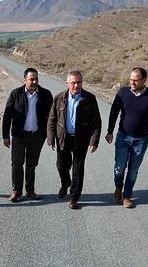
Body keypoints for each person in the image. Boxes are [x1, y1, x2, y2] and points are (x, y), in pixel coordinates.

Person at [105, 67, 148, 209]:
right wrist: (110, 131)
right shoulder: (123, 93)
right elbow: (114, 112)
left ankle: (127, 196)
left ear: (144, 80)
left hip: (141, 140)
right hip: (123, 137)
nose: (132, 82)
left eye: (136, 80)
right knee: (119, 168)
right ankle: (118, 187)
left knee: (133, 170)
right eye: (131, 79)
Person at [47, 70, 102, 209]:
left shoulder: (90, 98)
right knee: (61, 166)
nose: (76, 86)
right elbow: (52, 119)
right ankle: (65, 184)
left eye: (79, 82)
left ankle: (74, 197)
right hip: (63, 138)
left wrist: (93, 141)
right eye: (73, 83)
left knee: (78, 169)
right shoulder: (59, 98)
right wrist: (50, 138)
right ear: (67, 83)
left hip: (81, 140)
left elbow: (96, 122)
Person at [2, 68, 53, 202]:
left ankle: (30, 191)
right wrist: (5, 135)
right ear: (25, 79)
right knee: (17, 163)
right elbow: (7, 116)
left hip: (37, 136)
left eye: (36, 79)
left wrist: (50, 135)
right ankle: (16, 191)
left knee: (31, 164)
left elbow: (52, 117)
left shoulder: (46, 95)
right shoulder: (16, 94)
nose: (34, 81)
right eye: (31, 79)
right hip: (19, 135)